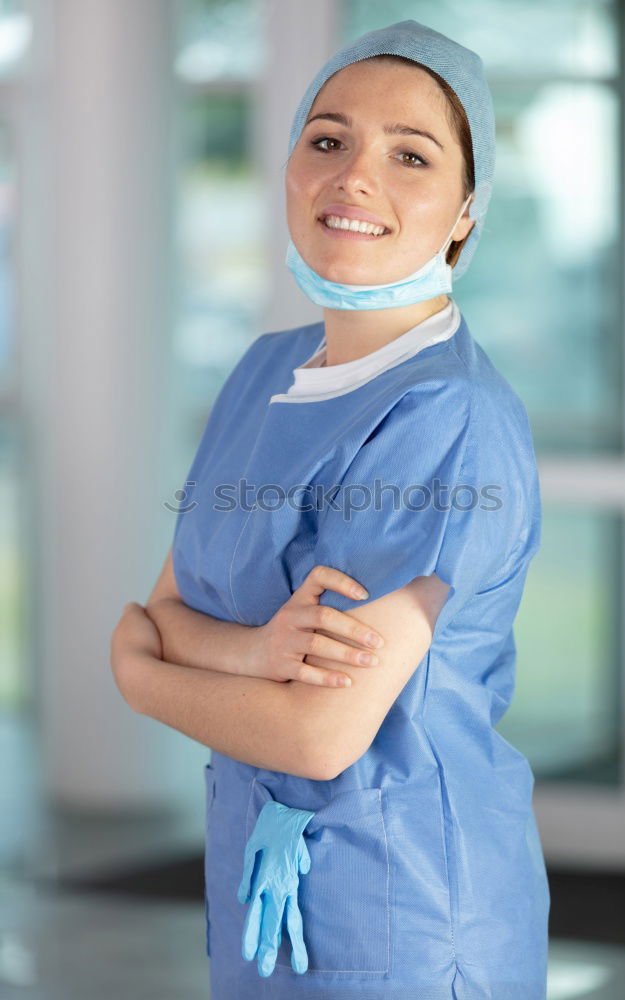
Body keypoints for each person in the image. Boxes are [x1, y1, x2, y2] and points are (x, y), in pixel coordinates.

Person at [111, 18, 550, 1000]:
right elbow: (170, 612)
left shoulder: (447, 415)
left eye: (411, 155)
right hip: (263, 894)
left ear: (467, 209)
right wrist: (256, 655)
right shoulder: (264, 371)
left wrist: (138, 678)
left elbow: (318, 733)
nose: (355, 176)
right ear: (289, 168)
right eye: (328, 140)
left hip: (410, 907)